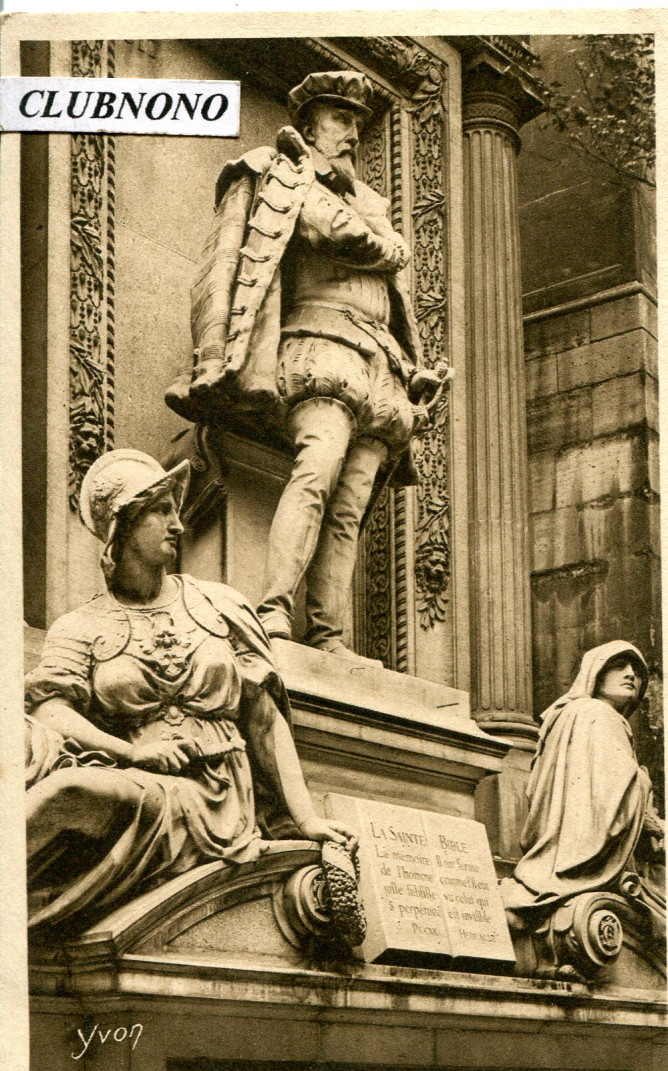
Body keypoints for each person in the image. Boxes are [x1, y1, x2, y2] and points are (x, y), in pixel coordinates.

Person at [165, 70, 448, 661]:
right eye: (341, 120)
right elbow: (345, 235)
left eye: (359, 126)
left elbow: (394, 291)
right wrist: (382, 234)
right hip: (321, 346)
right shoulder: (285, 172)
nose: (352, 136)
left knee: (349, 508)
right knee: (316, 474)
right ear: (312, 122)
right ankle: (272, 609)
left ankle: (328, 633)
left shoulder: (366, 200)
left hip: (379, 365)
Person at [25, 449, 354, 932]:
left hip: (219, 789)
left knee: (73, 791)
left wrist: (306, 819)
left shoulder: (219, 605)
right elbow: (52, 711)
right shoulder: (80, 627)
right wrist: (132, 753)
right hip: (144, 781)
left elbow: (263, 720)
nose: (177, 524)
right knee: (65, 789)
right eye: (160, 510)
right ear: (123, 526)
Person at [501, 641, 665, 925]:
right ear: (596, 673)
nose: (630, 675)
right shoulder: (599, 714)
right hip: (584, 853)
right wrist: (643, 791)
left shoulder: (571, 713)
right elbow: (614, 790)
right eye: (619, 666)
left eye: (637, 671)